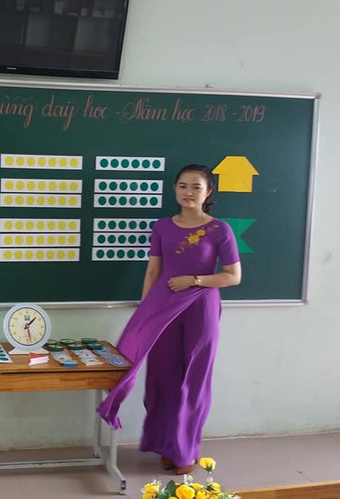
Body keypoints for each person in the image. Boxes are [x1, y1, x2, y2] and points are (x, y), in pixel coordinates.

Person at [97, 163, 242, 475]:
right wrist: (146, 311)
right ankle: (166, 445)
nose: (188, 192)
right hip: (163, 305)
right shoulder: (162, 226)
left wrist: (195, 280)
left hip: (201, 307)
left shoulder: (220, 230)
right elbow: (153, 270)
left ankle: (185, 450)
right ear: (175, 189)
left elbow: (233, 276)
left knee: (193, 378)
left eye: (196, 187)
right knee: (162, 377)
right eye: (183, 186)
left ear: (208, 192)